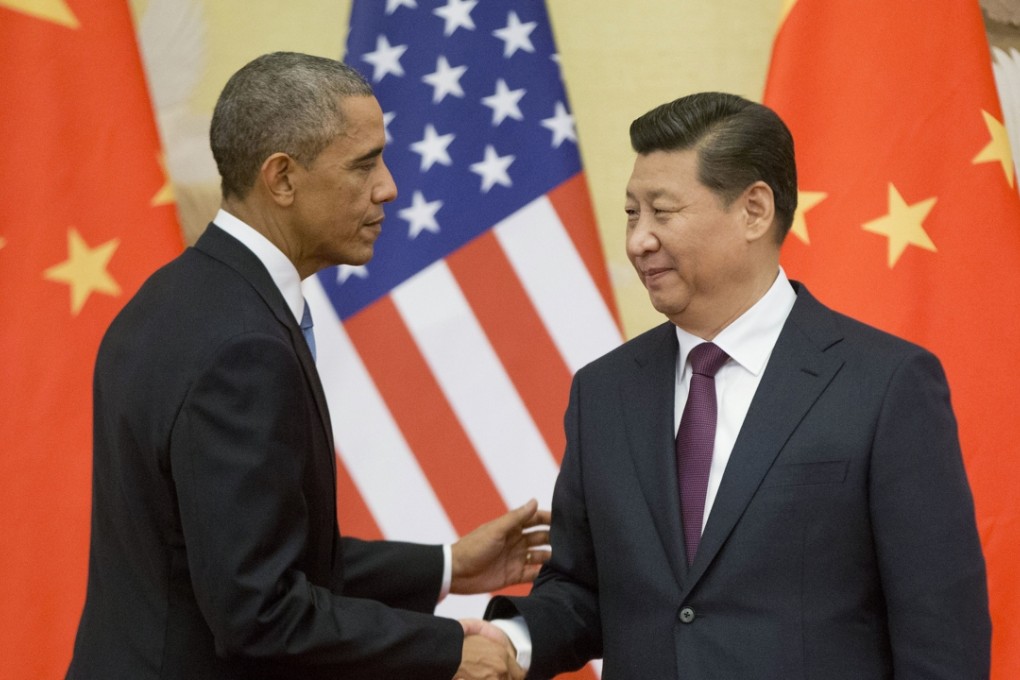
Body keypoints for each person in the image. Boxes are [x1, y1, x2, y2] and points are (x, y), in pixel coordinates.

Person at [66, 52, 546, 680]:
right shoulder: (244, 348)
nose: (388, 187)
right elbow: (259, 611)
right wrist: (447, 648)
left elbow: (239, 549)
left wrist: (448, 566)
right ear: (283, 179)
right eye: (364, 164)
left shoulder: (174, 297)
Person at [483, 92, 991, 678]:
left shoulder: (885, 384)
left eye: (662, 212)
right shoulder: (603, 391)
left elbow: (941, 636)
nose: (638, 240)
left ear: (753, 210)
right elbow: (581, 589)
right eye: (631, 213)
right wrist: (509, 642)